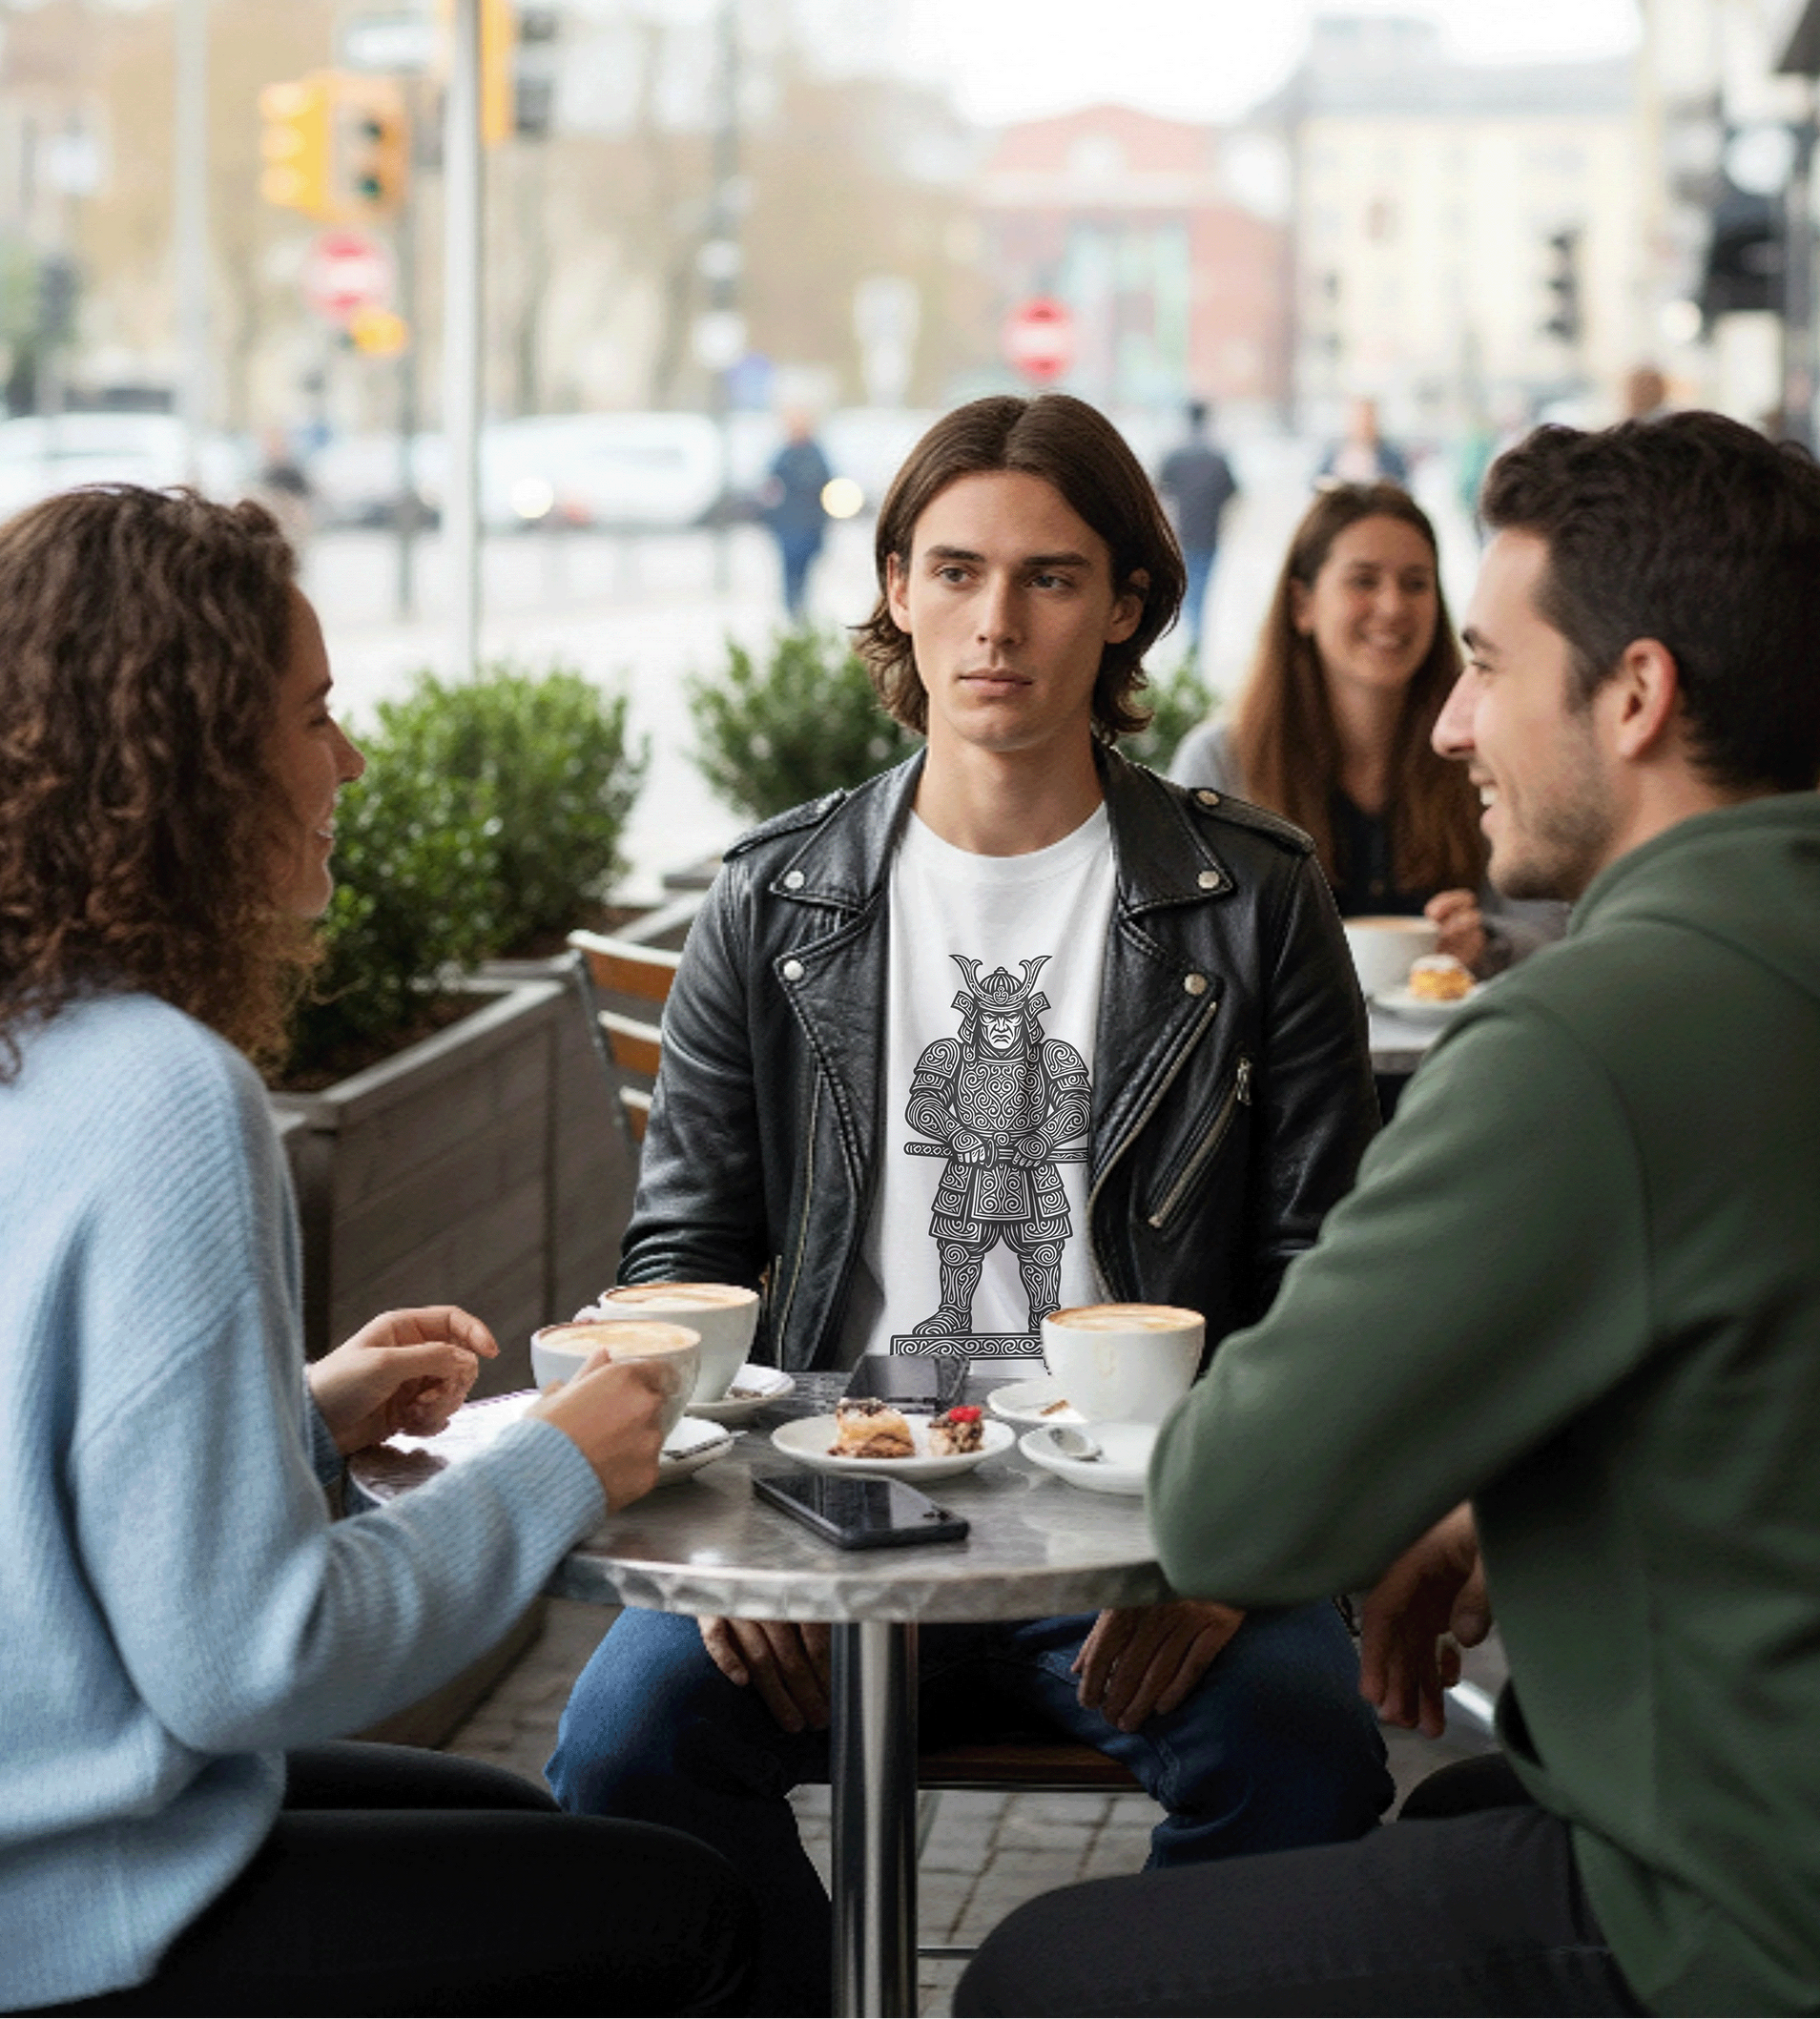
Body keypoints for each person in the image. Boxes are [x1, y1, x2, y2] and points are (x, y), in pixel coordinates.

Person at [959, 411, 1820, 2019]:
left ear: (1635, 695)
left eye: (1490, 662)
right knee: (1450, 1809)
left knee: (1041, 1974)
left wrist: (1413, 1477)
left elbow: (1234, 1506)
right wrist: (1489, 1508)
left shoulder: (1588, 1041)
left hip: (1754, 1916)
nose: (1451, 720)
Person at [549, 393, 1394, 2019]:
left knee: (1306, 1753)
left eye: (1052, 577)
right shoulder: (775, 895)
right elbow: (682, 1258)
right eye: (954, 570)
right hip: (829, 1494)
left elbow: (1325, 1275)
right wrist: (730, 1557)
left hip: (1155, 1513)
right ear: (895, 588)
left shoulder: (1252, 894)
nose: (995, 621)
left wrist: (1237, 1538)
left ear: (1129, 602)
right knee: (620, 1749)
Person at [0, 485, 755, 2019]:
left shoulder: (28, 1036)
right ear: (191, 761)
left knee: (530, 1834)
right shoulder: (165, 1090)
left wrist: (298, 1413)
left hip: (37, 1836)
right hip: (66, 1912)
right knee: (695, 1920)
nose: (350, 758)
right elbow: (249, 1663)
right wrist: (552, 1466)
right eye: (315, 712)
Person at [1169, 481, 1561, 975]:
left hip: (1448, 1048)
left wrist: (1489, 943)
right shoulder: (1219, 762)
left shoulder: (1480, 751)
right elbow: (1183, 941)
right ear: (1302, 604)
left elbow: (1556, 929)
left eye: (1416, 583)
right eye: (1364, 581)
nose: (1394, 607)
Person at [1157, 401, 1238, 651]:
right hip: (1209, 534)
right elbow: (1233, 493)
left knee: (1187, 591)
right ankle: (1195, 644)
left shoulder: (1175, 456)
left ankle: (1191, 646)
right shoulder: (1217, 457)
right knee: (1200, 593)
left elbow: (1159, 491)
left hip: (1181, 535)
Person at [762, 410, 833, 618]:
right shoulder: (782, 455)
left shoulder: (817, 454)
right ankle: (793, 610)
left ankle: (800, 608)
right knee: (789, 572)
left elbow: (828, 484)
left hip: (811, 523)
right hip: (787, 524)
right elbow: (769, 488)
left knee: (804, 570)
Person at [1315, 394, 1409, 487]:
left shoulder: (1392, 457)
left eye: (1368, 417)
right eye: (1358, 417)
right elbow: (1317, 482)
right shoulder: (1333, 453)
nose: (1363, 423)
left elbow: (1401, 486)